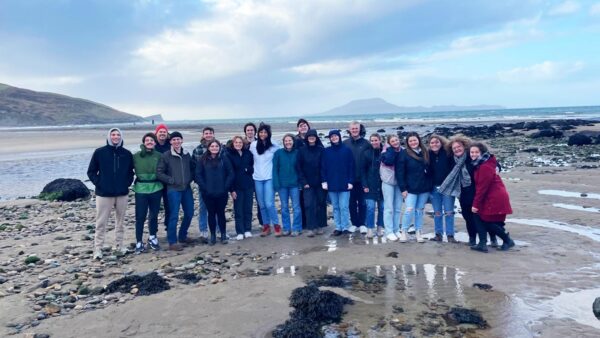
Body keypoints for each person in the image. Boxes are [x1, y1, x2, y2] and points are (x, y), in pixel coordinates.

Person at [87, 128, 134, 260]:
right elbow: (91, 172)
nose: (115, 137)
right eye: (113, 135)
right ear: (109, 136)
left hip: (122, 193)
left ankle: (119, 246)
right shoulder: (99, 152)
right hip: (104, 194)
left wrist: (127, 184)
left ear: (121, 137)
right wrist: (100, 183)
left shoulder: (127, 154)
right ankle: (98, 248)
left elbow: (131, 172)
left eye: (118, 135)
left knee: (120, 221)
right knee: (101, 222)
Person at [469, 142, 515, 252]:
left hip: (495, 196)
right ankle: (483, 243)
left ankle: (507, 240)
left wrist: (475, 204)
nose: (473, 154)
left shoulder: (485, 166)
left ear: (482, 153)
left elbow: (482, 187)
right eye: (471, 152)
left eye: (476, 152)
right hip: (493, 195)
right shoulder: (482, 163)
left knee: (484, 219)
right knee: (482, 218)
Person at [156, 131, 195, 251]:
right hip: (173, 190)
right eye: (174, 140)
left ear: (182, 140)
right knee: (174, 215)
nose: (176, 141)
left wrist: (190, 178)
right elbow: (159, 172)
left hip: (186, 188)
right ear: (171, 142)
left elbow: (193, 168)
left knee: (189, 213)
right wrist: (170, 180)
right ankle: (172, 242)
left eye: (178, 139)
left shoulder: (187, 154)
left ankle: (182, 236)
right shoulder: (166, 155)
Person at [196, 140, 234, 245]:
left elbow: (230, 173)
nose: (214, 148)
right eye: (212, 146)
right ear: (208, 148)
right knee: (211, 214)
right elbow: (198, 175)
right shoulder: (202, 159)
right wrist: (204, 188)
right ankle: (212, 235)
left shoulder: (224, 159)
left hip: (222, 192)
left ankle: (222, 234)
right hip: (208, 193)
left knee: (221, 213)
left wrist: (226, 187)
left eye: (216, 146)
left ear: (219, 147)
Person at [397, 132, 432, 243]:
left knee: (419, 211)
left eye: (415, 140)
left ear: (418, 140)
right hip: (410, 188)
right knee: (409, 210)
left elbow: (430, 169)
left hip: (424, 187)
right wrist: (403, 188)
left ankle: (418, 232)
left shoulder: (425, 152)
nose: (413, 142)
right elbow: (400, 173)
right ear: (408, 142)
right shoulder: (404, 154)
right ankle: (404, 232)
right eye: (410, 141)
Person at [132, 132, 163, 254]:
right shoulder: (136, 156)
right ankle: (139, 241)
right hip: (141, 189)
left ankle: (152, 237)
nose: (149, 142)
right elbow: (127, 170)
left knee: (154, 215)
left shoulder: (159, 155)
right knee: (140, 216)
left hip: (156, 188)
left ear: (155, 143)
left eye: (151, 140)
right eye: (147, 140)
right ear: (143, 142)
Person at [249, 123, 281, 236]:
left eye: (265, 132)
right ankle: (266, 226)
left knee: (269, 203)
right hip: (257, 178)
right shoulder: (253, 145)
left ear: (268, 134)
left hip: (269, 178)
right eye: (261, 132)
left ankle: (277, 226)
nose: (263, 134)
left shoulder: (274, 145)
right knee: (261, 204)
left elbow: (281, 156)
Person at [321, 129, 354, 236]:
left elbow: (351, 167)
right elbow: (323, 167)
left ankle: (345, 227)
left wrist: (350, 181)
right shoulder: (326, 151)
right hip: (331, 184)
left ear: (339, 137)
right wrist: (324, 181)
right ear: (330, 138)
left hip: (345, 184)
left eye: (336, 136)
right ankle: (338, 227)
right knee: (335, 207)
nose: (334, 138)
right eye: (332, 137)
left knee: (344, 206)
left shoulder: (347, 150)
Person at [296, 129, 327, 237]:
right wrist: (304, 182)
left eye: (313, 136)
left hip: (320, 182)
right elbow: (298, 167)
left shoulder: (321, 150)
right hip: (307, 183)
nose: (311, 138)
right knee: (309, 205)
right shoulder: (301, 150)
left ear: (316, 138)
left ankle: (320, 226)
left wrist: (324, 181)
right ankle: (310, 227)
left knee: (320, 203)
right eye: (309, 136)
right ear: (307, 138)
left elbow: (324, 167)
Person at [428, 134, 458, 243]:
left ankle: (450, 235)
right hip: (434, 188)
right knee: (437, 212)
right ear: (429, 144)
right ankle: (438, 234)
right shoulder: (428, 155)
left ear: (441, 143)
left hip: (448, 188)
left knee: (449, 212)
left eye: (436, 142)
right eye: (432, 143)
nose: (434, 144)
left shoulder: (448, 153)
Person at [343, 121, 370, 234]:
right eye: (352, 128)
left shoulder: (366, 143)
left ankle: (362, 224)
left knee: (363, 202)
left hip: (363, 178)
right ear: (349, 130)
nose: (354, 130)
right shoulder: (345, 143)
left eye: (356, 128)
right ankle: (354, 223)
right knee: (351, 202)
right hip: (349, 179)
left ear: (360, 129)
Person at [225, 136, 255, 240]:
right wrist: (231, 190)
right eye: (236, 142)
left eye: (240, 142)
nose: (238, 144)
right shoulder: (228, 155)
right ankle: (240, 231)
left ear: (243, 143)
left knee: (248, 208)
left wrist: (248, 169)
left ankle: (247, 230)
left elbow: (252, 168)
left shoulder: (248, 153)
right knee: (238, 210)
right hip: (236, 187)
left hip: (248, 185)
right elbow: (229, 173)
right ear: (233, 144)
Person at [273, 134, 302, 236]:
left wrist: (301, 182)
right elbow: (275, 170)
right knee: (284, 207)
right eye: (286, 141)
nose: (288, 142)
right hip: (282, 185)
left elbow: (301, 169)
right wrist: (276, 184)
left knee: (296, 207)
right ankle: (286, 228)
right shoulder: (278, 153)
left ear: (293, 141)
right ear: (283, 142)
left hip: (295, 184)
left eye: (290, 140)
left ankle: (296, 228)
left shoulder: (298, 153)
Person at [192, 127, 217, 243]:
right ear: (203, 135)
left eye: (210, 133)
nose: (208, 135)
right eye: (206, 133)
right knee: (203, 207)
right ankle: (203, 230)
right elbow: (194, 169)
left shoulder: (219, 147)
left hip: (217, 184)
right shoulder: (197, 150)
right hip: (203, 185)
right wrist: (200, 182)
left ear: (213, 134)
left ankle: (217, 229)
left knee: (216, 207)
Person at [380, 134, 403, 241]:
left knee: (398, 208)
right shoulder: (385, 151)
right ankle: (389, 231)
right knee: (389, 208)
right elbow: (388, 161)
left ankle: (396, 229)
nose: (395, 142)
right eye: (392, 141)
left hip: (399, 182)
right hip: (388, 181)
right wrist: (391, 150)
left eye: (396, 140)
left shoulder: (403, 151)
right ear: (389, 142)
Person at [361, 133, 384, 238]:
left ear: (380, 140)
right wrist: (365, 185)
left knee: (382, 208)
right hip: (370, 185)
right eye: (372, 140)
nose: (374, 142)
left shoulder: (385, 152)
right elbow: (363, 171)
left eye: (376, 140)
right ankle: (370, 229)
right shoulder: (366, 153)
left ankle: (380, 228)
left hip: (383, 186)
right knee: (370, 208)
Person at [243, 122, 264, 227]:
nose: (250, 132)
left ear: (255, 132)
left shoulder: (259, 142)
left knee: (260, 200)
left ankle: (262, 222)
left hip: (258, 174)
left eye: (252, 130)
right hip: (246, 176)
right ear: (245, 132)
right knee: (247, 201)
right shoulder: (241, 143)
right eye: (248, 130)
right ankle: (247, 224)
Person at [153, 123, 171, 231]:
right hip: (155, 181)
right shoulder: (152, 145)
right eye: (160, 132)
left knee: (169, 206)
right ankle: (153, 230)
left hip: (168, 180)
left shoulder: (171, 145)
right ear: (157, 133)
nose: (162, 133)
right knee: (154, 207)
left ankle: (168, 227)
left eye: (164, 132)